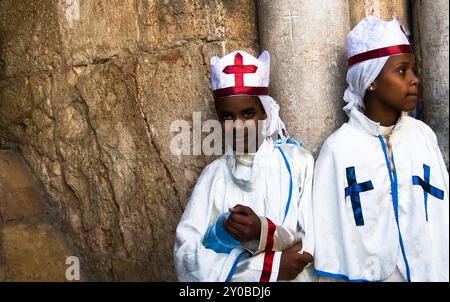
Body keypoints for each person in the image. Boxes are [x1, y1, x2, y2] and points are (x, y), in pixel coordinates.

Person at [313, 16, 449, 282]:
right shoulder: (338, 150)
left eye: (413, 70)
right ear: (371, 80)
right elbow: (329, 235)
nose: (414, 80)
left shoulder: (422, 136)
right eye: (402, 71)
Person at [174, 50, 316, 282]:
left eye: (248, 113)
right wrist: (264, 268)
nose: (238, 126)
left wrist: (263, 233)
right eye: (227, 116)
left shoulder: (298, 163)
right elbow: (185, 256)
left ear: (264, 113)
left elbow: (311, 241)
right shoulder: (214, 175)